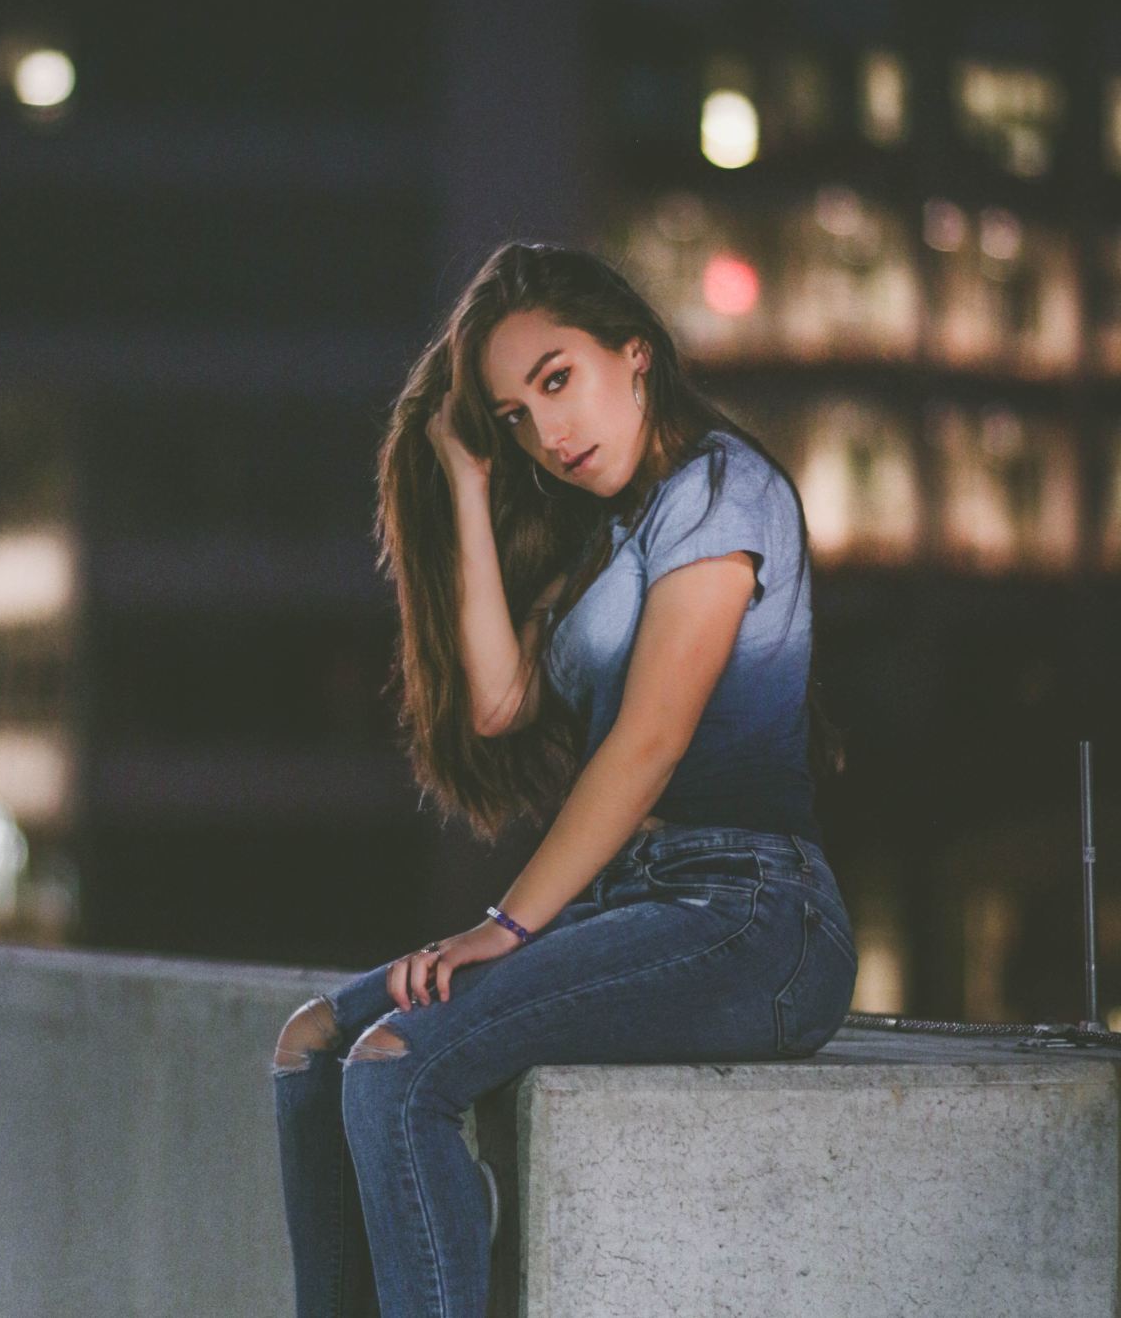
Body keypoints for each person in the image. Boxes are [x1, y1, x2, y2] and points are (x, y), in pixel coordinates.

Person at [272, 240, 857, 1317]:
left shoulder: (722, 490)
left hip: (754, 913)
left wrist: (508, 920)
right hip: (640, 903)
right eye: (512, 415)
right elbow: (496, 701)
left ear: (632, 353)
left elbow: (650, 739)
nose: (545, 433)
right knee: (315, 1041)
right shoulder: (608, 540)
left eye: (556, 380)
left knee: (398, 1059)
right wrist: (460, 473)